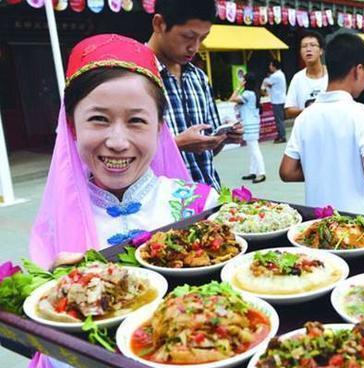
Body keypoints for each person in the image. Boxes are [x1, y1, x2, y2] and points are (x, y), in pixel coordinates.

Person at [28, 34, 219, 368]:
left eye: (136, 121)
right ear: (72, 126)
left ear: (160, 128)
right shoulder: (55, 220)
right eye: (99, 119)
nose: (117, 141)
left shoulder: (202, 208)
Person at [279, 33, 364, 215]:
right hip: (357, 223)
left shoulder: (306, 116)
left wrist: (320, 170)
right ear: (358, 70)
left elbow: (287, 172)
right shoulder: (361, 113)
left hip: (319, 221)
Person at [147, 0, 243, 191]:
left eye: (203, 37)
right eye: (188, 36)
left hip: (209, 198)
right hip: (165, 209)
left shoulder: (198, 78)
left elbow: (207, 152)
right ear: (159, 24)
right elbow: (120, 158)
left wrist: (221, 139)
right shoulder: (134, 77)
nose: (195, 47)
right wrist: (177, 145)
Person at [230, 73, 266, 183]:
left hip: (249, 125)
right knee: (252, 149)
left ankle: (261, 172)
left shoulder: (247, 94)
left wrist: (239, 87)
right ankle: (253, 171)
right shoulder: (254, 93)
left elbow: (232, 98)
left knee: (254, 149)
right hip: (253, 124)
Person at [284, 31, 328, 118]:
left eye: (312, 45)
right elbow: (288, 110)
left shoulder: (333, 74)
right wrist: (307, 111)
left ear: (321, 51)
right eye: (304, 46)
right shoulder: (297, 78)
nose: (308, 49)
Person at [262, 59, 287, 143]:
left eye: (270, 65)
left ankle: (282, 136)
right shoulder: (281, 74)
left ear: (274, 66)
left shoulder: (275, 76)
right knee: (279, 119)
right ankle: (280, 134)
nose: (269, 67)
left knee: (279, 119)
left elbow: (266, 84)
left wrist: (265, 81)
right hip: (281, 98)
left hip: (277, 100)